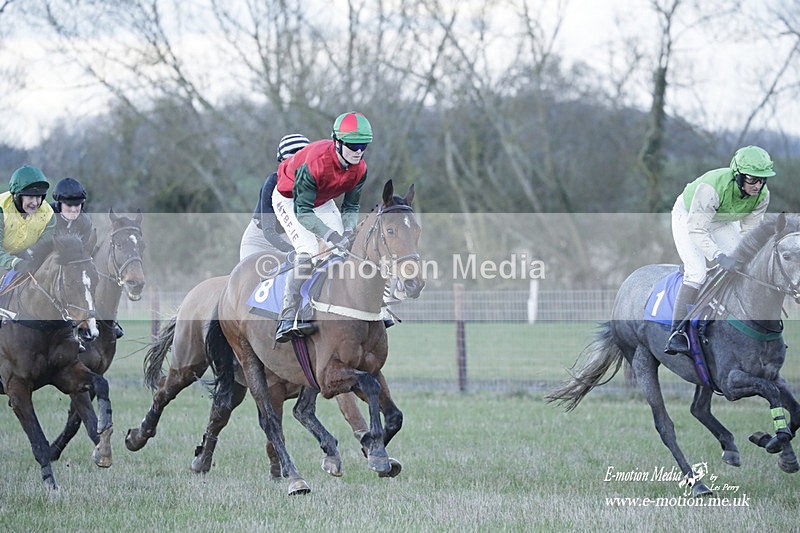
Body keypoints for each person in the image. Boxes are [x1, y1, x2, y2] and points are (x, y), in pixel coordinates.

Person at [272, 111, 372, 342]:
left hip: (322, 199)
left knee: (344, 251)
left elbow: (351, 206)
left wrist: (347, 232)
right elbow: (303, 213)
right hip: (290, 200)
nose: (358, 152)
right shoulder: (315, 163)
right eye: (352, 145)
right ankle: (287, 316)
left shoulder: (360, 169)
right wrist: (332, 235)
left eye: (363, 146)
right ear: (337, 142)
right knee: (309, 253)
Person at [664, 145, 774, 355]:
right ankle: (676, 331)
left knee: (744, 265)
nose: (757, 185)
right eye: (752, 179)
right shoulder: (712, 188)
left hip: (720, 220)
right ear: (738, 176)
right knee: (697, 272)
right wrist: (718, 255)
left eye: (762, 179)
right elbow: (697, 229)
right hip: (689, 217)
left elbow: (749, 233)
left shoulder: (762, 195)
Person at [50, 177, 124, 339]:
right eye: (69, 205)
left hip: (73, 263)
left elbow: (84, 252)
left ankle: (104, 319)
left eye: (78, 205)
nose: (74, 209)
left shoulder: (85, 222)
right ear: (59, 203)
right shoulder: (47, 216)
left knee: (88, 279)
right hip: (47, 262)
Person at [239, 134, 310, 260]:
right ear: (282, 163)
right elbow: (268, 232)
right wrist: (294, 250)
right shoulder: (272, 183)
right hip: (260, 240)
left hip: (292, 235)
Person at [0, 165, 55, 277]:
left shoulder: (48, 215)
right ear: (17, 196)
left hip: (22, 257)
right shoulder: (2, 208)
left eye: (39, 197)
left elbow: (44, 248)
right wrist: (15, 262)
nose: (35, 203)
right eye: (30, 197)